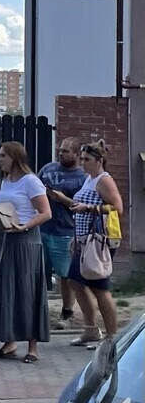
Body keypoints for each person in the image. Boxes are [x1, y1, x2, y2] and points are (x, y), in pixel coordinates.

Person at [0, 142, 52, 363]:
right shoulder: (6, 180)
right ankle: (9, 341)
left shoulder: (30, 181)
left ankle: (32, 346)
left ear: (15, 157)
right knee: (6, 288)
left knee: (27, 290)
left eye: (3, 156)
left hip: (25, 242)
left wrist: (25, 226)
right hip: (6, 238)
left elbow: (45, 212)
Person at [67, 139, 125, 346]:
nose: (83, 163)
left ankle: (111, 337)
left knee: (100, 286)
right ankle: (90, 328)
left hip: (99, 241)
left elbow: (117, 208)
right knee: (75, 280)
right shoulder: (89, 179)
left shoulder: (104, 180)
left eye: (87, 159)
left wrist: (90, 209)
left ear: (99, 161)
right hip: (84, 240)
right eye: (81, 159)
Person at [37, 137, 87, 327]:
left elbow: (83, 206)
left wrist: (62, 199)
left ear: (75, 154)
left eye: (65, 151)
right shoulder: (48, 169)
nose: (61, 153)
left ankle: (67, 313)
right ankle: (38, 310)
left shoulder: (82, 177)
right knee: (38, 270)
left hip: (65, 231)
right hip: (42, 227)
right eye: (60, 150)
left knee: (65, 275)